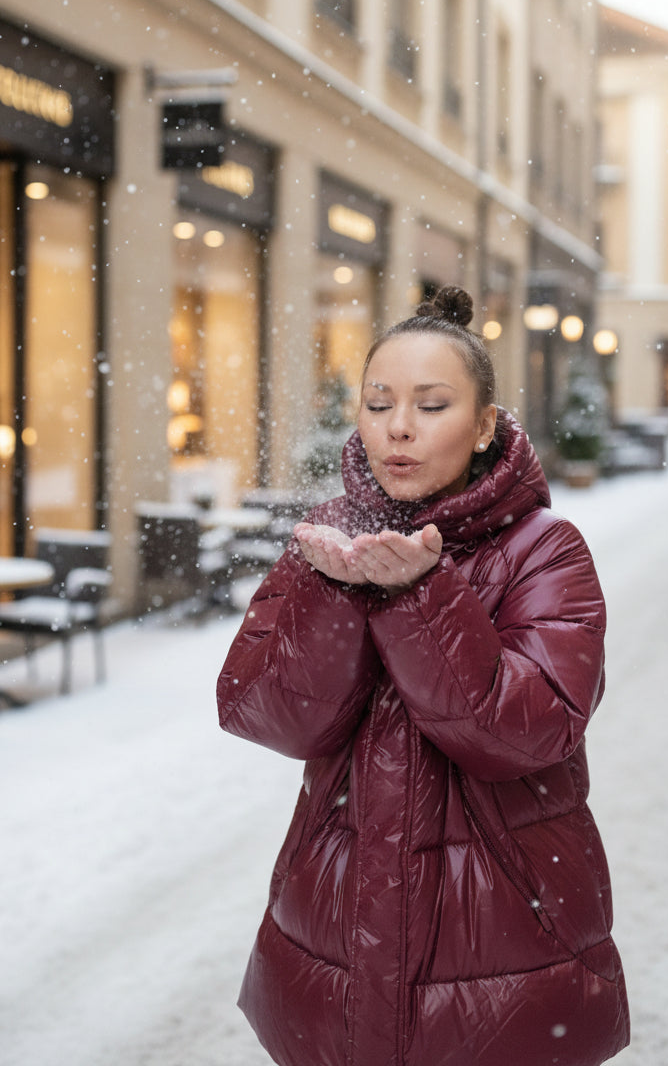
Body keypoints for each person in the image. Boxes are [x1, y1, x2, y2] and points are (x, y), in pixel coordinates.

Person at [217, 286, 630, 1066]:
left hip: (504, 933)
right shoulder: (329, 542)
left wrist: (416, 596)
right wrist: (335, 594)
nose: (398, 426)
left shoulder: (547, 551)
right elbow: (262, 713)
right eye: (378, 403)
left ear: (482, 427)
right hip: (334, 927)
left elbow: (524, 732)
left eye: (431, 405)